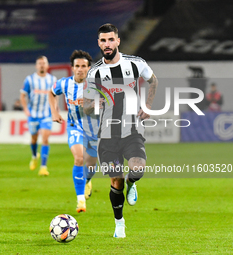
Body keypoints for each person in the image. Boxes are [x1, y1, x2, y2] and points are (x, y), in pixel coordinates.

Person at [84, 23, 158, 238]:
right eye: (102, 41)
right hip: (107, 136)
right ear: (99, 43)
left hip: (132, 130)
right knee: (115, 179)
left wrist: (148, 105)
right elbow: (87, 106)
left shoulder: (135, 64)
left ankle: (132, 183)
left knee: (137, 170)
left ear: (117, 40)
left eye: (110, 40)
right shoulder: (94, 72)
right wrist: (92, 105)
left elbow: (153, 80)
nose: (107, 44)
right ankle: (119, 223)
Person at [49, 50, 98, 213]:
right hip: (74, 126)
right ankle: (80, 201)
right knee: (79, 158)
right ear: (72, 68)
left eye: (84, 66)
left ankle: (87, 181)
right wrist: (54, 112)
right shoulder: (64, 83)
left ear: (89, 68)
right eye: (77, 66)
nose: (80, 69)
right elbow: (51, 93)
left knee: (91, 164)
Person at [20, 56, 57, 176]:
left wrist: (55, 109)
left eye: (44, 63)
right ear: (36, 66)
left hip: (46, 114)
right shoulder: (30, 80)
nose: (41, 65)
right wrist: (26, 109)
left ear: (47, 65)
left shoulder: (52, 79)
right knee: (34, 139)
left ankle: (43, 167)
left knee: (45, 138)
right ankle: (34, 155)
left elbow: (55, 95)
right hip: (33, 114)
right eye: (39, 63)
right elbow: (23, 95)